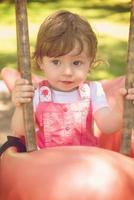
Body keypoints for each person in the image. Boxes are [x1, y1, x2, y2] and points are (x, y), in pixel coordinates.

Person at [11, 10, 134, 149]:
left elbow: (107, 126)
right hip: (46, 165)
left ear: (90, 63)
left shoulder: (93, 91)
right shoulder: (36, 92)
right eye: (56, 62)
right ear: (40, 62)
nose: (67, 72)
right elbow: (20, 131)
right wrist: (20, 107)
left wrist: (120, 109)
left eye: (76, 63)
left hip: (84, 163)